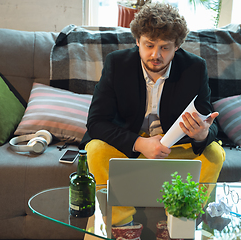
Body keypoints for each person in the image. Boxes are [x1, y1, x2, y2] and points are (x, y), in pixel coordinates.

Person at [79, 1, 225, 232]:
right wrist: (140, 143)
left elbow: (209, 123)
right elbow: (96, 122)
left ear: (177, 46)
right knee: (95, 150)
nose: (155, 55)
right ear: (137, 41)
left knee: (214, 153)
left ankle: (179, 223)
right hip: (130, 145)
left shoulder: (195, 68)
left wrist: (202, 133)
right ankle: (121, 225)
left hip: (173, 147)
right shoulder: (117, 64)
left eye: (165, 47)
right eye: (148, 45)